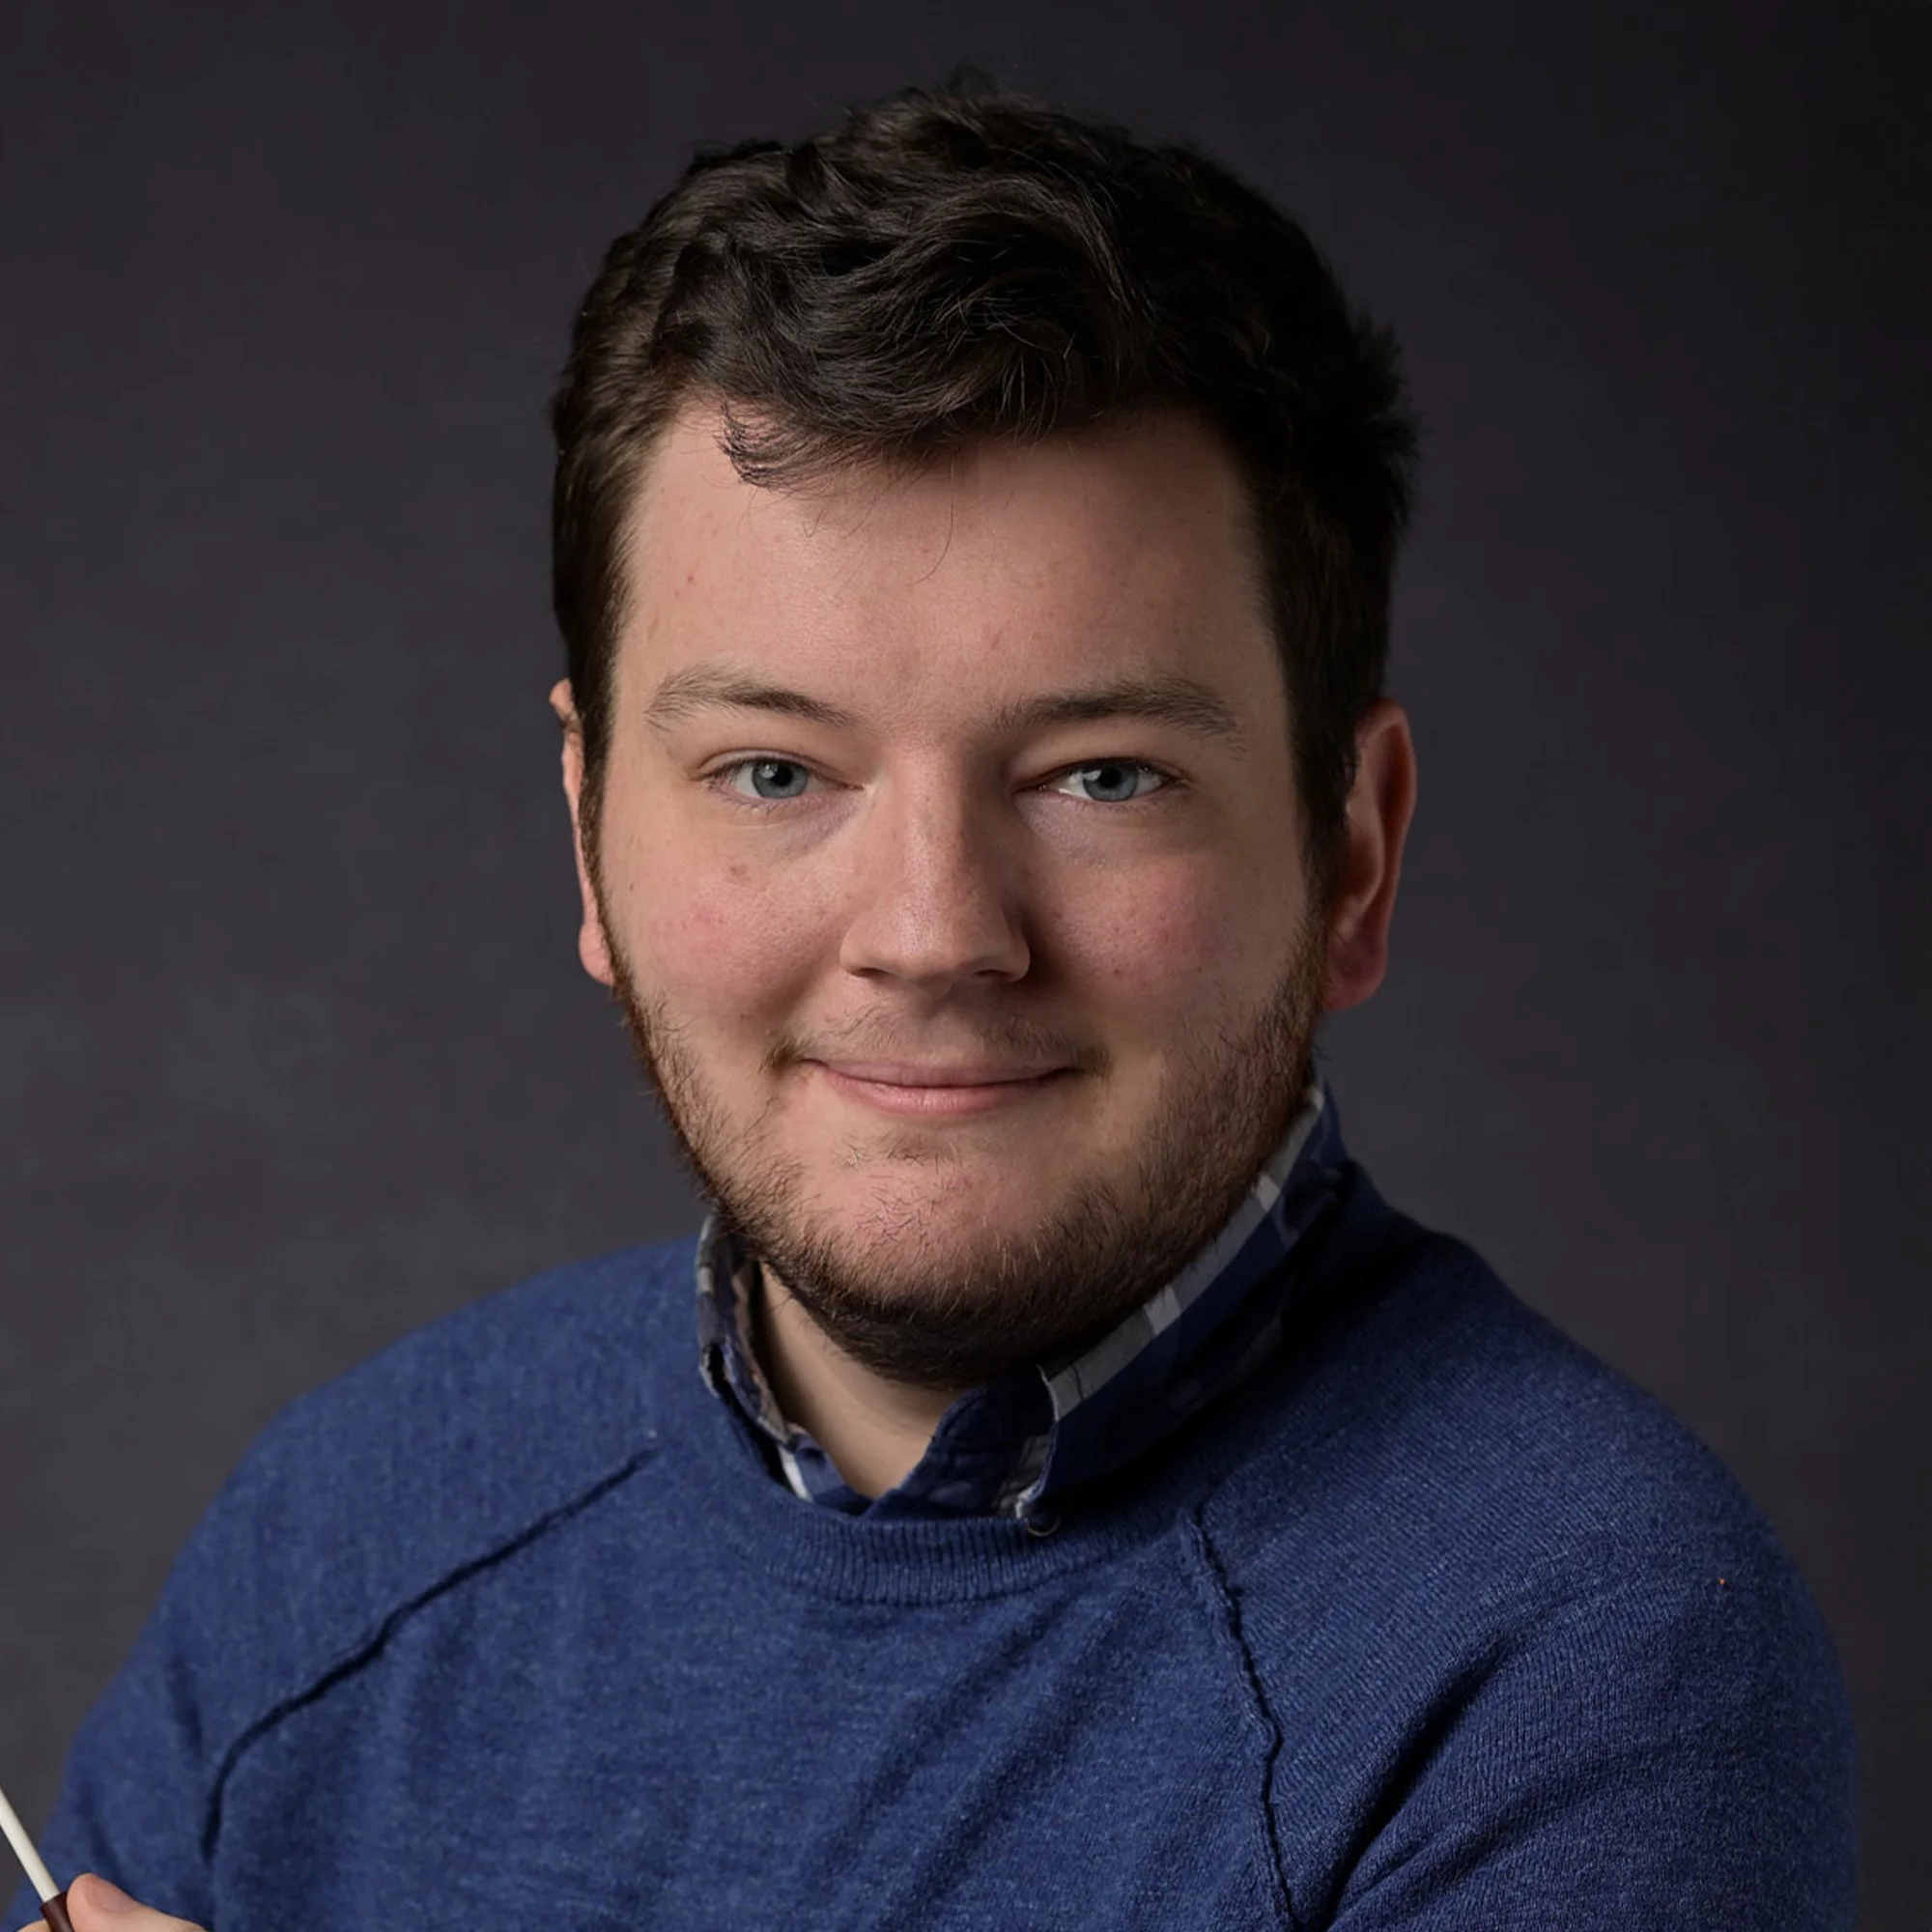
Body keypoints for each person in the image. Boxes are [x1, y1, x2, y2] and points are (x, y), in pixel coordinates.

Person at [14, 82, 1856, 1932]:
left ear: (1352, 854)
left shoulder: (1578, 1660)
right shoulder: (345, 1534)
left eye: (1102, 776)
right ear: (586, 840)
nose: (933, 932)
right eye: (771, 772)